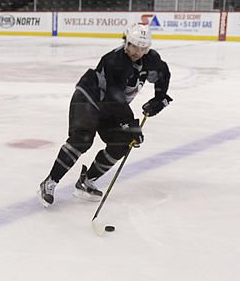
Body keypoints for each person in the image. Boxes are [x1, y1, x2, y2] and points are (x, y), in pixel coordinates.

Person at [38, 23, 173, 206]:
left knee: (122, 142)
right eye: (134, 46)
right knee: (82, 139)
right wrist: (131, 124)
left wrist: (159, 98)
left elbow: (163, 74)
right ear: (126, 42)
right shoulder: (114, 61)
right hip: (89, 97)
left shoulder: (151, 59)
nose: (138, 52)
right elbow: (114, 96)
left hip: (112, 106)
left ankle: (87, 181)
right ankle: (50, 182)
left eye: (143, 48)